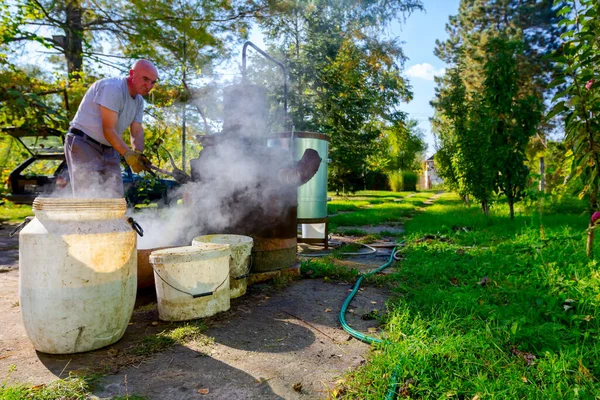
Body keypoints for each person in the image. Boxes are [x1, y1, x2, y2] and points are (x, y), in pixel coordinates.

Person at [65, 59, 158, 197]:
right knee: (88, 198)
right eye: (145, 79)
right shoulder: (113, 88)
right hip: (84, 143)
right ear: (132, 73)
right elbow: (108, 129)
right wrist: (128, 154)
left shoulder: (138, 101)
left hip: (109, 148)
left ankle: (113, 220)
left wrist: (138, 154)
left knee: (115, 199)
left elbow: (137, 130)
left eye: (153, 82)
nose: (148, 85)